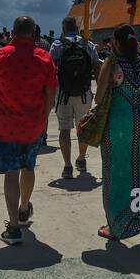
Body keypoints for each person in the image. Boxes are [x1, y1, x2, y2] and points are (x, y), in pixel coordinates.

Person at [95, 25, 140, 247]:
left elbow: (98, 98)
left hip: (118, 127)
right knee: (139, 176)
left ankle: (116, 226)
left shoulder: (112, 63)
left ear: (115, 43)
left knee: (115, 176)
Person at [0, 15, 58, 246]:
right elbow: (51, 92)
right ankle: (23, 209)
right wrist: (44, 116)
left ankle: (13, 228)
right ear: (34, 33)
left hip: (6, 125)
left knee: (11, 174)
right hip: (33, 126)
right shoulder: (45, 58)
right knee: (28, 168)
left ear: (13, 32)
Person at [50, 16, 100, 181]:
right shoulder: (87, 44)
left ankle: (67, 166)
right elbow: (96, 66)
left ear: (63, 29)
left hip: (63, 93)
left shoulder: (57, 45)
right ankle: (81, 158)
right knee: (82, 127)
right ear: (77, 28)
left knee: (64, 129)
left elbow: (50, 68)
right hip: (83, 93)